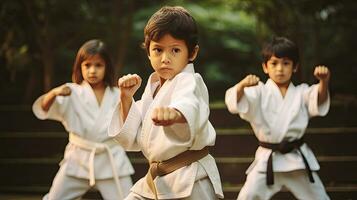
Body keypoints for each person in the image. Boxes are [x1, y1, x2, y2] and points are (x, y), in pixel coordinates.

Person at [108, 6, 223, 200]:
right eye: (158, 50)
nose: (165, 59)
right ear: (148, 52)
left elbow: (190, 104)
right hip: (159, 178)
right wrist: (126, 97)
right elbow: (134, 137)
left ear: (192, 53)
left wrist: (176, 114)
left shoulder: (190, 81)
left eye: (175, 50)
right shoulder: (153, 86)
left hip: (191, 178)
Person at [225, 36, 331, 200]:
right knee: (248, 196)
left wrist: (324, 82)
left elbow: (319, 100)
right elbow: (235, 102)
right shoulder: (259, 91)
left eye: (286, 63)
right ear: (265, 67)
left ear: (295, 67)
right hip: (268, 159)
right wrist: (242, 86)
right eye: (274, 63)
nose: (280, 69)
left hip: (297, 160)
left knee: (319, 197)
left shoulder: (302, 92)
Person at [32, 39, 134, 200]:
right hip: (77, 159)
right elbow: (43, 110)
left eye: (98, 65)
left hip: (111, 159)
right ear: (79, 66)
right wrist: (53, 93)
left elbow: (129, 124)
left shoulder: (117, 94)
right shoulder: (71, 91)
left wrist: (126, 96)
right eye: (87, 65)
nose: (92, 71)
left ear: (107, 67)